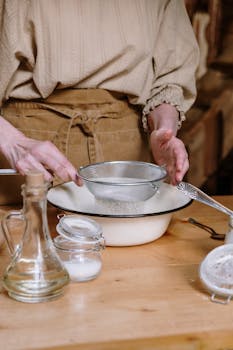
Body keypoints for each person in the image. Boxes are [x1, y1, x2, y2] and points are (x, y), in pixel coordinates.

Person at [0, 0, 199, 203]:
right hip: (31, 165)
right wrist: (12, 142)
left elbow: (170, 77)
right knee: (30, 232)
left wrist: (163, 130)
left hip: (128, 165)